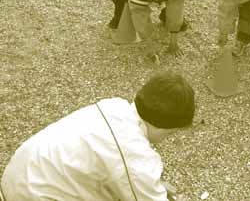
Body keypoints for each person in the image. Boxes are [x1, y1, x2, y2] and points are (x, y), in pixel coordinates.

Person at [1, 71, 195, 201]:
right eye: (171, 134)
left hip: (17, 179)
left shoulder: (113, 106)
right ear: (164, 129)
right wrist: (152, 189)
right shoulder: (137, 159)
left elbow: (113, 162)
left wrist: (152, 184)